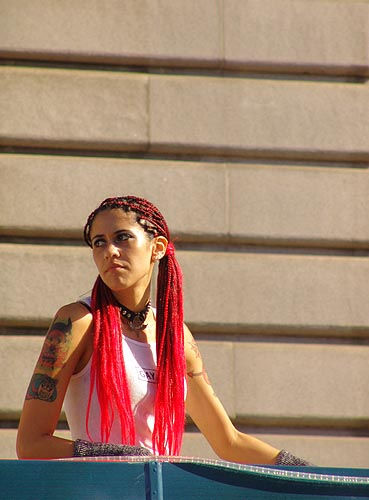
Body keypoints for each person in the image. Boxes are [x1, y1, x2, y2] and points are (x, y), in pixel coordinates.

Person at [17, 196, 310, 465]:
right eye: (99, 242)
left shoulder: (177, 337)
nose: (110, 251)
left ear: (156, 248)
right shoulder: (78, 321)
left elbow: (229, 442)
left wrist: (307, 471)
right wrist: (115, 454)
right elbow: (30, 445)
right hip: (100, 491)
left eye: (122, 238)